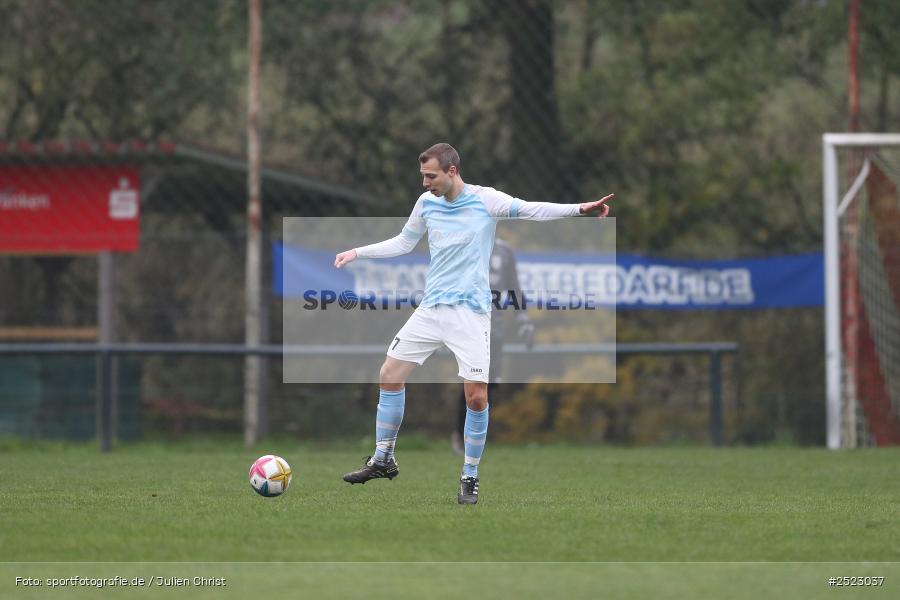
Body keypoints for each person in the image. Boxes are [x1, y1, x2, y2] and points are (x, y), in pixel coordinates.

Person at [334, 143, 613, 505]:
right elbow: (404, 242)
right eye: (422, 176)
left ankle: (469, 476)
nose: (424, 183)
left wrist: (580, 209)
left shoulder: (486, 201)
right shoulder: (426, 204)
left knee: (476, 397)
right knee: (389, 373)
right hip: (432, 309)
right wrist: (359, 251)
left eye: (430, 176)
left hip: (470, 314)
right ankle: (384, 458)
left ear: (452, 172)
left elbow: (531, 209)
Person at [451, 237, 533, 456]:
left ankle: (477, 435)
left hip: (494, 328)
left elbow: (514, 288)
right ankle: (462, 435)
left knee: (491, 383)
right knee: (471, 381)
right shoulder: (462, 244)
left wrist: (522, 319)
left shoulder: (504, 250)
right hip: (467, 323)